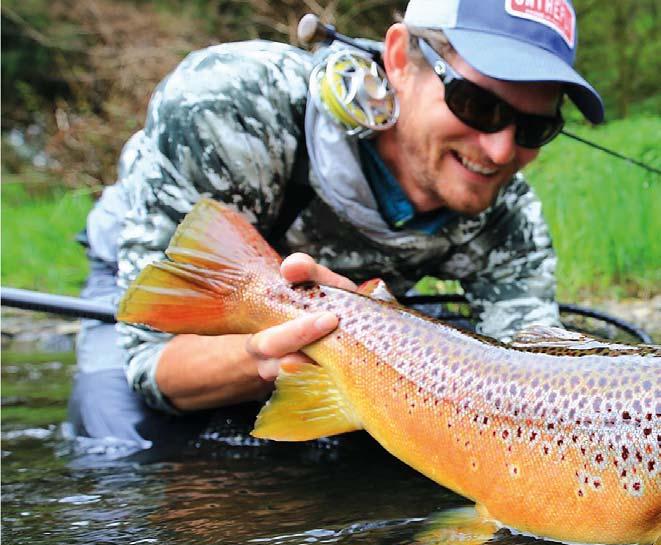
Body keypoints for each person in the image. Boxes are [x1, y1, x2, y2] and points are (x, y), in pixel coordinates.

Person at [67, 0, 604, 452]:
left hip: (333, 321)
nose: (501, 149)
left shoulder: (508, 216)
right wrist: (259, 354)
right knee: (127, 448)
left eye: (537, 126)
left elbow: (533, 393)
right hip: (156, 267)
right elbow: (150, 362)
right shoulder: (232, 105)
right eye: (476, 105)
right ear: (399, 58)